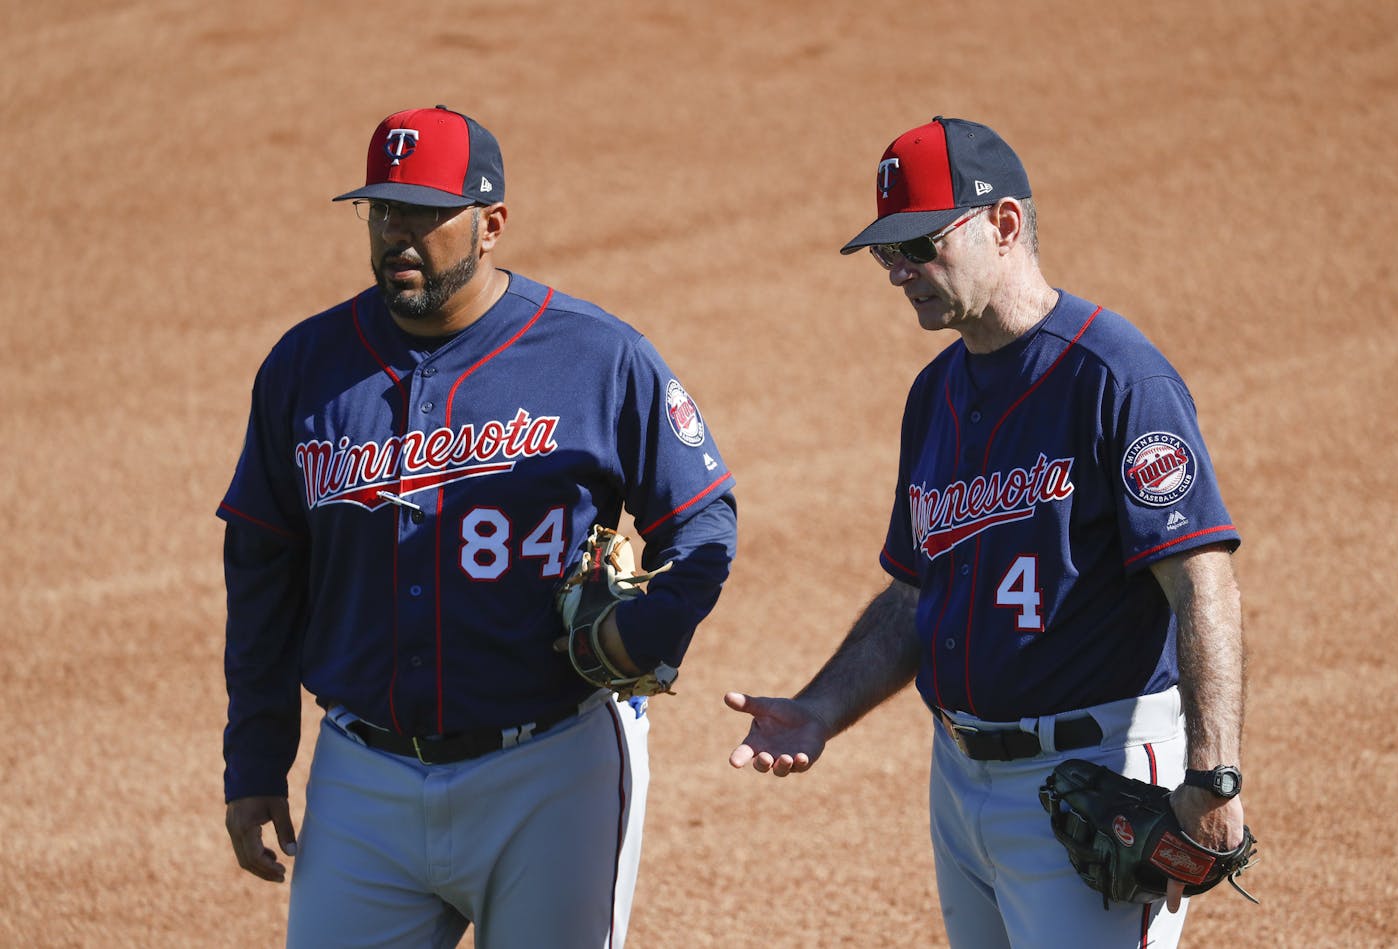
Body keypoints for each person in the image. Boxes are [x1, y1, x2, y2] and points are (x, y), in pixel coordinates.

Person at [219, 104, 737, 949]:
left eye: (426, 215)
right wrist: (255, 758)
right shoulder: (305, 368)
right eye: (384, 211)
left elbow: (703, 515)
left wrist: (645, 631)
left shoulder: (595, 357)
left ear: (491, 224)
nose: (400, 236)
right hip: (361, 775)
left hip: (550, 771)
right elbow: (262, 571)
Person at [725, 116, 1246, 948]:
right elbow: (916, 593)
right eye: (886, 254)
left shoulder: (1116, 377)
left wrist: (1213, 776)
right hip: (959, 785)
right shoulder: (934, 393)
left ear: (1004, 225)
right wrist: (821, 708)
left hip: (1095, 776)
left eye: (921, 245)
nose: (900, 272)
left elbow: (1202, 579)